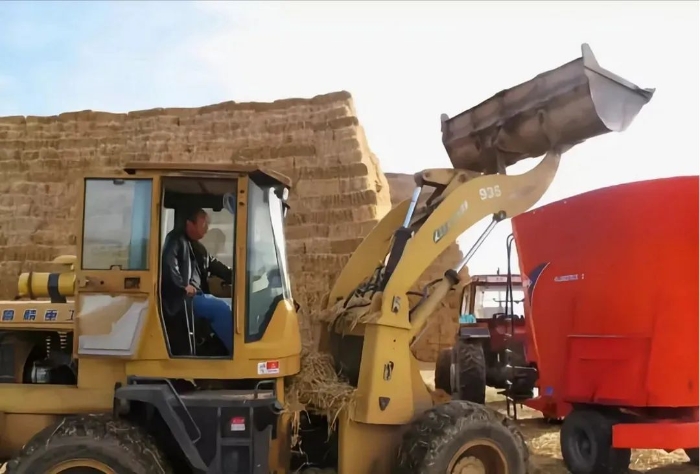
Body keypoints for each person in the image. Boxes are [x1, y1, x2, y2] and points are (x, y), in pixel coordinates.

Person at [161, 207, 234, 353]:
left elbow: (215, 265)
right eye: (204, 224)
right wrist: (183, 286)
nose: (207, 228)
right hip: (183, 299)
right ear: (190, 224)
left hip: (197, 296)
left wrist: (236, 276)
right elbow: (168, 265)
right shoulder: (175, 240)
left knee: (231, 306)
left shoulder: (197, 247)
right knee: (220, 309)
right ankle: (236, 351)